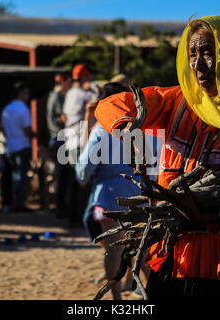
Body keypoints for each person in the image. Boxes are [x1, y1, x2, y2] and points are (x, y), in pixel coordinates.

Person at [94, 15, 220, 300]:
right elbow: (111, 103)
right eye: (192, 54)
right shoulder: (177, 102)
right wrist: (127, 124)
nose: (198, 64)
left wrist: (204, 217)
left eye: (209, 53)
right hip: (178, 257)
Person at [75, 81, 144, 300]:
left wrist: (83, 178)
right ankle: (139, 289)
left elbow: (84, 168)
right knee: (141, 247)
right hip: (142, 195)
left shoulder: (101, 131)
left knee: (113, 249)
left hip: (107, 197)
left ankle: (116, 298)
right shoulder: (144, 127)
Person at [60, 64, 97, 226]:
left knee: (72, 181)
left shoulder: (69, 93)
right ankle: (77, 218)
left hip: (69, 140)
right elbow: (98, 99)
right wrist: (93, 88)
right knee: (81, 181)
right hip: (79, 141)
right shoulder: (84, 95)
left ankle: (71, 216)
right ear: (85, 78)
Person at [0, 81, 35, 212]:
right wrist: (34, 135)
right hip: (22, 146)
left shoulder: (7, 109)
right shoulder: (23, 109)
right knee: (20, 177)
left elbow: (2, 129)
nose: (27, 96)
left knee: (11, 176)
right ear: (20, 93)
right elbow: (27, 129)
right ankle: (19, 203)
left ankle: (9, 202)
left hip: (10, 147)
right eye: (26, 93)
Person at [46, 72, 72, 217]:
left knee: (62, 175)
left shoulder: (56, 96)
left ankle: (61, 207)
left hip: (58, 138)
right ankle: (61, 208)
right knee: (63, 175)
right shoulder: (56, 97)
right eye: (69, 82)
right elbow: (63, 117)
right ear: (63, 82)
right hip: (59, 139)